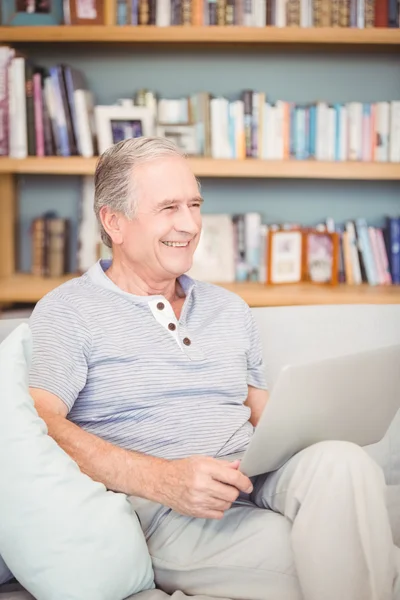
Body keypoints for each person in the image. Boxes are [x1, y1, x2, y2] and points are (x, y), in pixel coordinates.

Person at [28, 137, 397, 600]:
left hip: (255, 473)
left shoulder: (229, 308)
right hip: (170, 513)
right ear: (113, 221)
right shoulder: (68, 311)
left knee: (344, 463)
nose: (190, 224)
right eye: (168, 208)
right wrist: (163, 480)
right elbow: (42, 424)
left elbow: (257, 407)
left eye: (194, 204)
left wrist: (321, 416)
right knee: (339, 552)